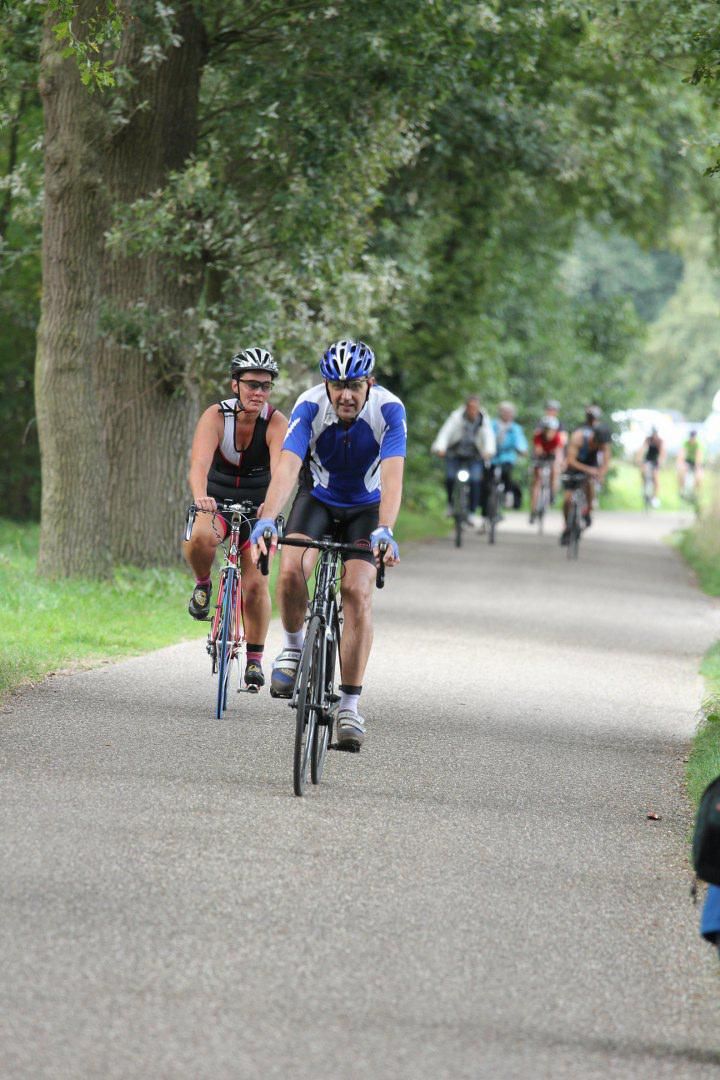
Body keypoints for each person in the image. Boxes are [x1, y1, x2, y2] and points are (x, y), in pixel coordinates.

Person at [250, 339, 406, 750]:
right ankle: (293, 647)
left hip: (366, 509)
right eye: (338, 386)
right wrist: (266, 519)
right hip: (317, 499)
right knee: (292, 569)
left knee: (356, 591)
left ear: (369, 383)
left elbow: (393, 475)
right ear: (326, 384)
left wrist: (385, 528)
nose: (347, 395)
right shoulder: (310, 405)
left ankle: (350, 705)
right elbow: (288, 467)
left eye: (355, 384)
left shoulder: (389, 410)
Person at [184, 348, 288, 688]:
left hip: (259, 508)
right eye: (252, 384)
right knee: (199, 536)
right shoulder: (216, 416)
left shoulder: (275, 422)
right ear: (235, 385)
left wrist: (270, 511)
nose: (259, 392)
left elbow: (282, 471)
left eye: (266, 386)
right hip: (218, 502)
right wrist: (202, 498)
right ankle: (203, 585)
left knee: (256, 582)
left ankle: (255, 659)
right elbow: (198, 464)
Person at [431, 395, 496, 528]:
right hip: (454, 454)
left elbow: (488, 435)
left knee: (476, 480)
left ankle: (471, 511)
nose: (473, 411)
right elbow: (445, 432)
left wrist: (489, 451)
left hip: (474, 456)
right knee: (449, 477)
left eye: (475, 408)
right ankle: (450, 504)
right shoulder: (456, 417)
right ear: (466, 407)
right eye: (471, 407)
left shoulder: (483, 420)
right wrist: (440, 448)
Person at [560, 421, 612, 544]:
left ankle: (588, 511)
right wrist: (589, 470)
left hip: (591, 464)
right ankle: (567, 527)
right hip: (574, 466)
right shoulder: (578, 438)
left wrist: (601, 474)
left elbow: (605, 462)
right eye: (598, 444)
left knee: (590, 485)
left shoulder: (604, 444)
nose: (600, 447)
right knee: (567, 500)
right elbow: (571, 461)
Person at [481, 401, 528, 520]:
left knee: (506, 474)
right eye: (504, 412)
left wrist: (522, 449)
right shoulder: (491, 425)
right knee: (486, 482)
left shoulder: (515, 428)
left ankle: (507, 495)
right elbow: (484, 437)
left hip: (507, 457)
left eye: (509, 412)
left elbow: (520, 441)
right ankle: (486, 510)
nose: (507, 414)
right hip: (492, 457)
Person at [530, 415, 564, 523]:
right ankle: (533, 510)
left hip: (552, 457)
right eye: (547, 430)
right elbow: (537, 449)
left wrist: (558, 462)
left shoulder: (558, 437)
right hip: (540, 457)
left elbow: (559, 452)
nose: (549, 432)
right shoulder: (538, 436)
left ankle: (552, 494)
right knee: (537, 481)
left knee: (555, 471)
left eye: (551, 430)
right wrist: (540, 454)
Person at [636, 427, 665, 508]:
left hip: (656, 461)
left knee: (655, 477)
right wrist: (639, 459)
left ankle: (655, 497)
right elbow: (642, 449)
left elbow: (662, 453)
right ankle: (643, 487)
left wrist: (660, 461)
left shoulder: (660, 441)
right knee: (643, 471)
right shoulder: (648, 440)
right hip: (648, 460)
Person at [678, 429, 703, 502]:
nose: (692, 439)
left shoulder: (698, 444)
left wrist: (697, 466)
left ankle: (696, 493)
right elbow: (682, 453)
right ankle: (681, 490)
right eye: (691, 437)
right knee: (681, 471)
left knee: (699, 476)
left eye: (693, 437)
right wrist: (681, 463)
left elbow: (699, 456)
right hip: (687, 461)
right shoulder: (686, 443)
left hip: (696, 462)